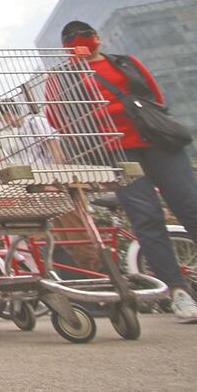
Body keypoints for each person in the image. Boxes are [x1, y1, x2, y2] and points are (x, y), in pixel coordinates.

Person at [57, 20, 197, 322]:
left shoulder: (126, 63)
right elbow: (58, 117)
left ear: (98, 38)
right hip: (118, 153)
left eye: (84, 35)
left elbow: (155, 98)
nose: (80, 41)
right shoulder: (64, 77)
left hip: (159, 142)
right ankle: (177, 291)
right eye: (71, 39)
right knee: (146, 217)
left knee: (190, 206)